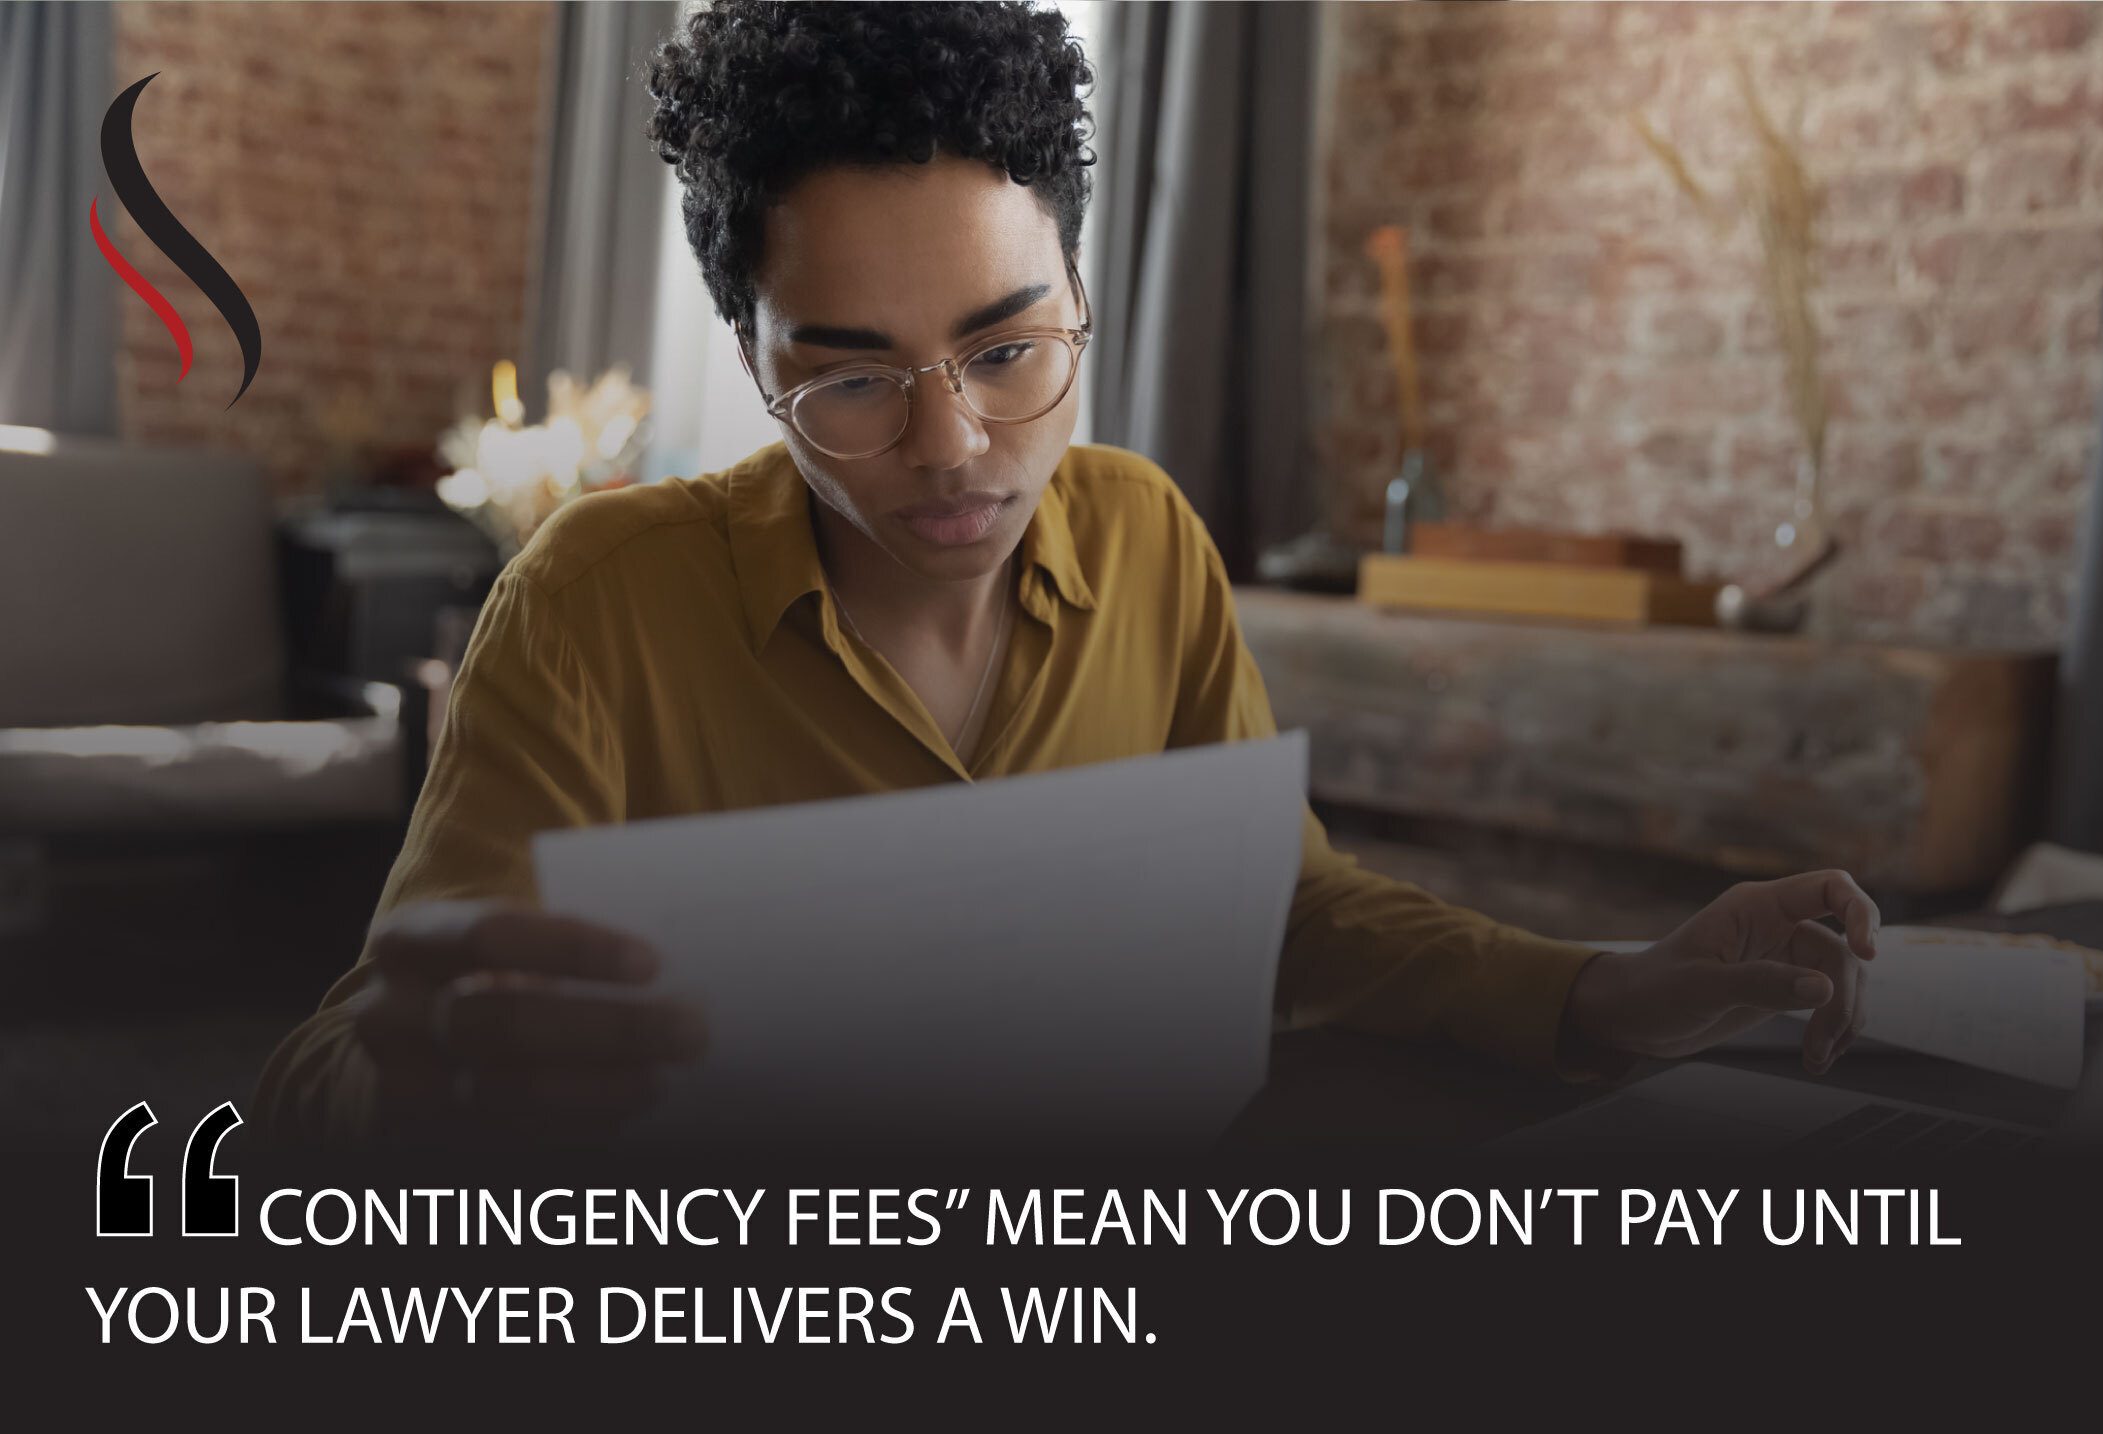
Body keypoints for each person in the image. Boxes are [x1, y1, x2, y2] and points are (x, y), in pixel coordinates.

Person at [252, 0, 1877, 1145]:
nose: (958, 448)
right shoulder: (596, 601)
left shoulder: (1150, 538)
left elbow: (1288, 911)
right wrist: (418, 1085)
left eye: (1009, 345)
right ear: (754, 368)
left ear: (1082, 293)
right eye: (853, 378)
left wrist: (1611, 990)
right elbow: (333, 1071)